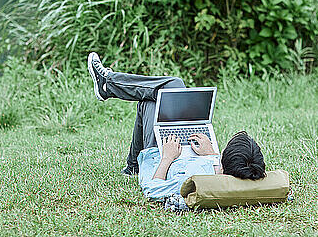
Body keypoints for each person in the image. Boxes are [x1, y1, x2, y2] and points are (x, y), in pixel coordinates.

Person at [87, 52, 267, 203]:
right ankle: (132, 167)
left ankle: (108, 84)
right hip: (184, 152)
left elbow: (153, 190)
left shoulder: (195, 178)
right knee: (159, 94)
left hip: (160, 154)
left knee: (163, 92)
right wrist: (211, 154)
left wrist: (167, 157)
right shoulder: (221, 166)